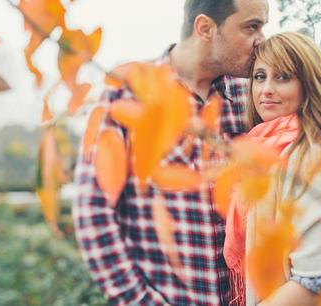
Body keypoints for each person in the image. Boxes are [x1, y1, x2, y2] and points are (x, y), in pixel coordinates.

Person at [72, 0, 269, 305]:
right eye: (252, 26)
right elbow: (93, 213)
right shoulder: (127, 94)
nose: (262, 40)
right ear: (205, 28)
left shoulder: (254, 98)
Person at [224, 32, 321, 306]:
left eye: (283, 77)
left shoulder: (314, 155)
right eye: (260, 77)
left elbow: (315, 279)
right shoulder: (264, 156)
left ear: (308, 85)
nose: (266, 89)